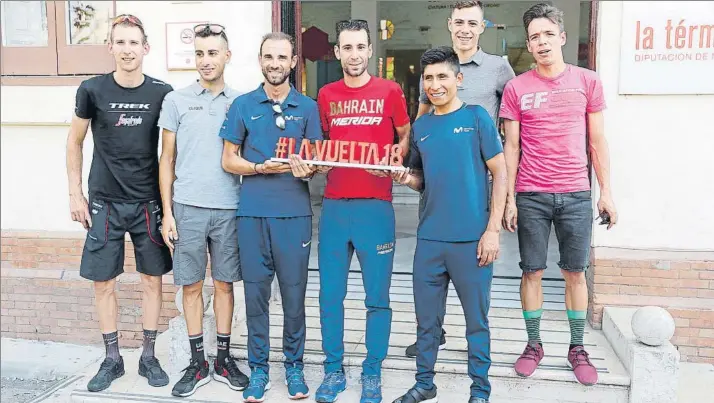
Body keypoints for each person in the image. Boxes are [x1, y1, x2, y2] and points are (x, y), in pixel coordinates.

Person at [500, 3, 618, 387]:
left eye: (548, 34)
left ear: (562, 37)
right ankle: (534, 345)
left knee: (575, 272)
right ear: (529, 45)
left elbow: (597, 140)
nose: (542, 41)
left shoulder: (587, 81)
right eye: (535, 37)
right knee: (531, 271)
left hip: (575, 194)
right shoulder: (517, 88)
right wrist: (510, 199)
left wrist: (607, 193)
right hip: (531, 193)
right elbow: (512, 148)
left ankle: (577, 347)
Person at [391, 46, 506, 403]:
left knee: (476, 323)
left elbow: (500, 173)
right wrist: (404, 178)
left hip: (471, 241)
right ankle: (425, 383)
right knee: (427, 323)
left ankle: (480, 390)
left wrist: (492, 230)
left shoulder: (476, 118)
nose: (435, 84)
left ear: (458, 78)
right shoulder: (422, 126)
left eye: (442, 76)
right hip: (430, 241)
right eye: (429, 78)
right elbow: (423, 179)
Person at [65, 14, 173, 392]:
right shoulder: (92, 90)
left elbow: (171, 152)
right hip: (105, 203)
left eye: (134, 43)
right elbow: (74, 141)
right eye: (120, 42)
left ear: (145, 48)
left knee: (152, 280)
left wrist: (171, 207)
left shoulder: (162, 92)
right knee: (103, 282)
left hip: (147, 201)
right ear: (110, 47)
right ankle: (111, 359)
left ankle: (148, 355)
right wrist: (75, 193)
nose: (127, 50)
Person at [406, 0, 515, 358]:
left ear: (482, 27)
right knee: (429, 293)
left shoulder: (499, 68)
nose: (465, 28)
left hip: (475, 190)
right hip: (436, 206)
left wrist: (499, 214)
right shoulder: (436, 67)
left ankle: (478, 380)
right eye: (459, 22)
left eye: (472, 22)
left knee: (475, 308)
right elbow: (422, 119)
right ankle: (430, 340)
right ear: (450, 25)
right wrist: (403, 155)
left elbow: (513, 129)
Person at [219, 32, 322, 403]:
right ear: (260, 60)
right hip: (252, 215)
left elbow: (316, 164)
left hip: (294, 215)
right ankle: (259, 369)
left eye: (282, 57)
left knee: (294, 296)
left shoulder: (308, 108)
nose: (275, 63)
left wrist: (306, 169)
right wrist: (259, 168)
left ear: (294, 61)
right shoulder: (243, 105)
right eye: (268, 57)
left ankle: (294, 367)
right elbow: (228, 159)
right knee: (256, 296)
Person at [314, 19, 411, 403]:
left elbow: (404, 134)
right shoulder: (325, 94)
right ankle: (333, 370)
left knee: (377, 297)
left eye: (360, 47)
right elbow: (324, 143)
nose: (354, 55)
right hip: (336, 207)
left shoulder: (390, 91)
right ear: (337, 52)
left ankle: (372, 372)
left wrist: (398, 154)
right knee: (329, 296)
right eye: (346, 48)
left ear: (370, 51)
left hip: (376, 207)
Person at [157, 23, 249, 397]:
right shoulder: (176, 100)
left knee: (225, 284)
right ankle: (198, 363)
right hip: (188, 208)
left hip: (230, 207)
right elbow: (166, 159)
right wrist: (168, 213)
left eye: (213, 52)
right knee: (191, 286)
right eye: (199, 53)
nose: (205, 60)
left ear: (227, 55)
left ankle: (224, 359)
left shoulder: (241, 102)